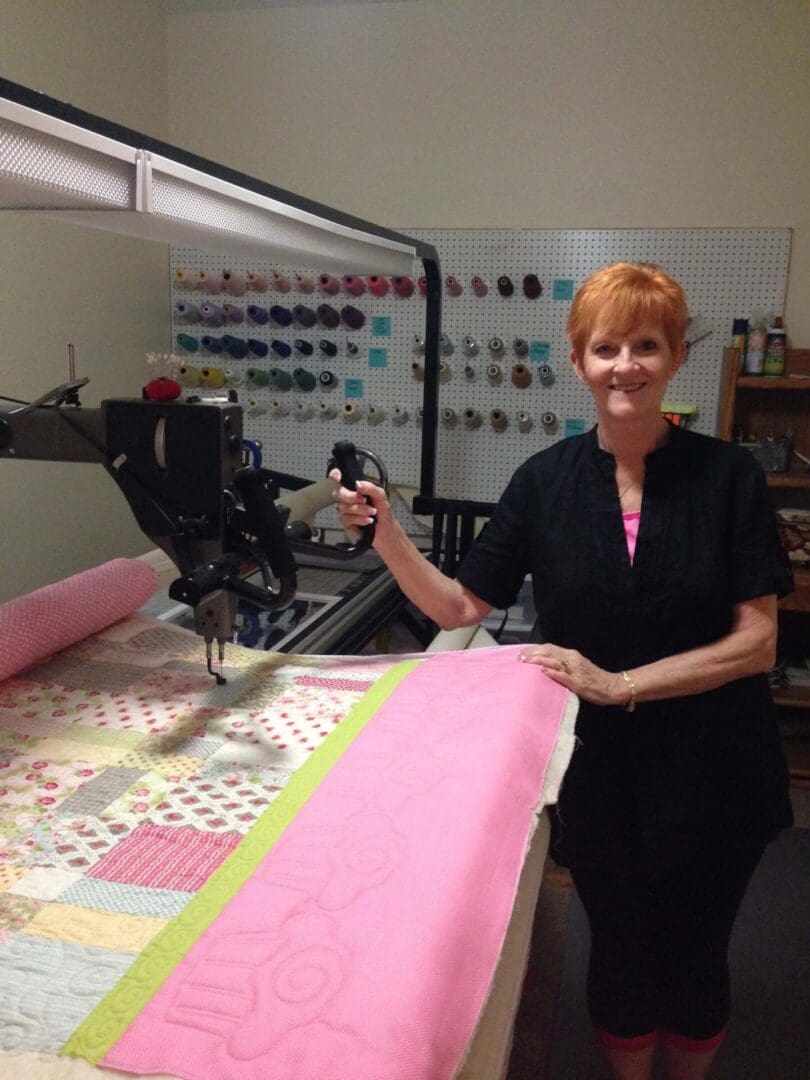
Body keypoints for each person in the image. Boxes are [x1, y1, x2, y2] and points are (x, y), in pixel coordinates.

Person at [330, 262, 794, 1080]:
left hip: (720, 766)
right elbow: (458, 605)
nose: (627, 365)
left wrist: (622, 685)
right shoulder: (544, 482)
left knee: (696, 954)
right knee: (615, 949)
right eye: (607, 347)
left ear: (676, 356)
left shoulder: (730, 478)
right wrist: (386, 533)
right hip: (600, 772)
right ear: (579, 362)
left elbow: (756, 643)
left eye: (646, 345)